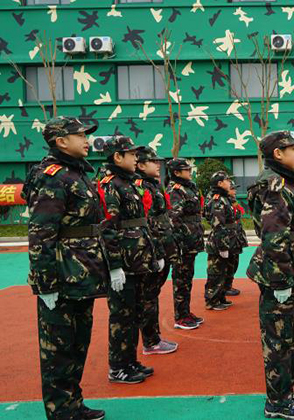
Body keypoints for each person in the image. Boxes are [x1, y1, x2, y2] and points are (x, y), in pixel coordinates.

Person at [25, 116, 108, 420]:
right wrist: (45, 283)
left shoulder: (77, 173)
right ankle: (60, 410)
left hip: (83, 274)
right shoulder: (52, 177)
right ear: (61, 141)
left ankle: (72, 403)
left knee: (77, 342)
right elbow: (41, 233)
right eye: (80, 135)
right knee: (57, 348)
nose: (87, 140)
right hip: (61, 276)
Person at [246, 131, 294, 419]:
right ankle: (277, 402)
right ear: (277, 154)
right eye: (292, 149)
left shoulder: (286, 182)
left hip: (290, 269)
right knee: (277, 341)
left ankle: (286, 393)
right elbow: (274, 238)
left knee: (287, 337)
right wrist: (281, 281)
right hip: (279, 274)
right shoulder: (274, 185)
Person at [99, 136, 161, 385]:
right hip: (124, 263)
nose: (137, 158)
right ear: (117, 157)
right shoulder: (110, 185)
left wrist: (154, 254)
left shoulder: (128, 183)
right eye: (132, 154)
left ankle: (130, 361)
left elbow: (142, 224)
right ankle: (118, 367)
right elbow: (108, 228)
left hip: (137, 260)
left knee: (134, 313)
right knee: (121, 316)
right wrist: (114, 266)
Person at [135, 147, 179, 355]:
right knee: (148, 296)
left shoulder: (153, 184)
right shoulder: (140, 186)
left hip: (162, 246)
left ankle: (153, 338)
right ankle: (151, 341)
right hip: (153, 249)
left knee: (152, 294)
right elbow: (147, 222)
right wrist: (158, 252)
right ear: (141, 165)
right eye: (153, 161)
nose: (158, 164)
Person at [166, 158, 205, 330]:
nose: (190, 172)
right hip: (183, 242)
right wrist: (179, 242)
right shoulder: (175, 190)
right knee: (181, 279)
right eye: (186, 169)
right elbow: (174, 218)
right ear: (176, 173)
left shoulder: (189, 187)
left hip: (191, 240)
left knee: (187, 278)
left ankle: (186, 312)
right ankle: (180, 316)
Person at [203, 171, 238, 311]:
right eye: (227, 180)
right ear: (220, 183)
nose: (229, 183)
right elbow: (218, 225)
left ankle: (220, 297)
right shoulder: (218, 200)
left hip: (227, 239)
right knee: (216, 273)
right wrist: (222, 246)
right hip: (219, 242)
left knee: (225, 271)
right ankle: (212, 300)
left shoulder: (225, 198)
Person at [223, 181, 247, 298]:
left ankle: (228, 285)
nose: (235, 191)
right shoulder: (223, 202)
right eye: (232, 188)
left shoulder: (233, 201)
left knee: (234, 262)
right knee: (227, 263)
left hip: (236, 236)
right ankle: (224, 287)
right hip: (228, 237)